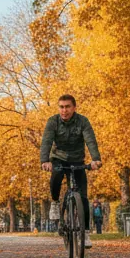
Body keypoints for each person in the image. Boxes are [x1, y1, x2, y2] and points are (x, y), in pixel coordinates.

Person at [40, 94, 102, 247]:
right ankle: (55, 202)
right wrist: (45, 161)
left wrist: (95, 159)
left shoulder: (83, 121)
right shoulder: (52, 122)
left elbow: (90, 140)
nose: (64, 110)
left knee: (84, 197)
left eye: (67, 107)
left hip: (77, 159)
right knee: (56, 176)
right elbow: (46, 141)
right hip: (58, 158)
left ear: (74, 108)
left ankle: (85, 234)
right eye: (61, 107)